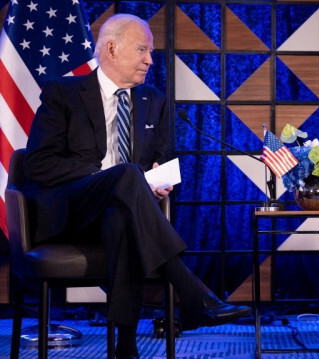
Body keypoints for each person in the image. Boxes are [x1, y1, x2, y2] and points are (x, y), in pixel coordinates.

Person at [22, 14, 250, 359]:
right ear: (111, 49)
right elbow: (39, 164)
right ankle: (193, 293)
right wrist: (112, 174)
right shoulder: (62, 94)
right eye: (142, 49)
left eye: (151, 52)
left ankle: (125, 347)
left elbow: (160, 164)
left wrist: (159, 183)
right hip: (70, 210)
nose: (149, 60)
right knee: (126, 176)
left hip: (123, 209)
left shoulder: (153, 100)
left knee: (121, 217)